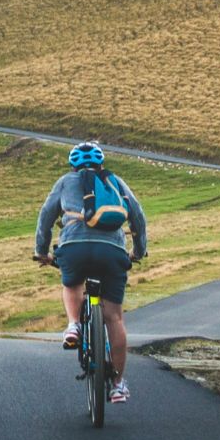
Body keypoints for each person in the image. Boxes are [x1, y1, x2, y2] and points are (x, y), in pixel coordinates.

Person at [33, 142, 147, 404]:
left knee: (72, 283)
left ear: (73, 165)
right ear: (101, 163)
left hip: (74, 248)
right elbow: (138, 217)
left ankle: (74, 325)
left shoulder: (65, 181)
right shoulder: (116, 182)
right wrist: (138, 252)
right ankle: (118, 385)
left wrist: (41, 251)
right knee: (114, 318)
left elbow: (46, 216)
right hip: (113, 251)